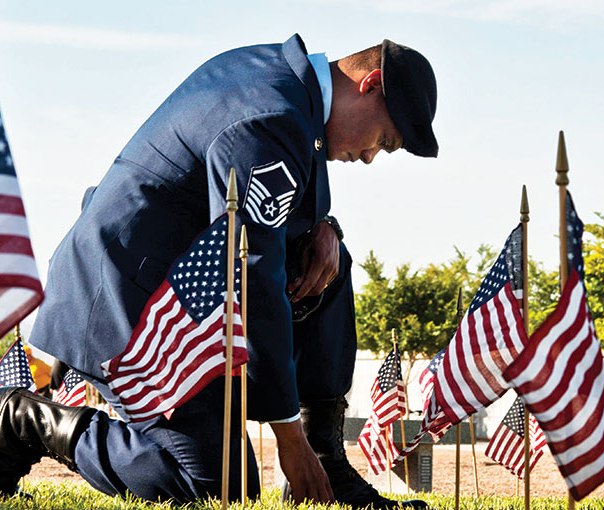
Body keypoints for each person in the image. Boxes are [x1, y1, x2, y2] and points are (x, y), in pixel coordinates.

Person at [0, 34, 437, 509]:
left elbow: (269, 221)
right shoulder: (273, 116)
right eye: (385, 141)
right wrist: (288, 435)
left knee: (326, 259)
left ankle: (325, 464)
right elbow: (251, 274)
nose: (371, 156)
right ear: (369, 86)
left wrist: (326, 228)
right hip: (128, 302)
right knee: (218, 485)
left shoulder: (288, 88)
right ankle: (23, 418)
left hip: (181, 286)